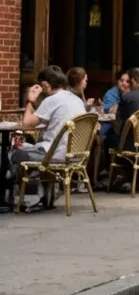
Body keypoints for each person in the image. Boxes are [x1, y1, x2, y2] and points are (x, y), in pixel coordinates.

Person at [14, 66, 89, 201]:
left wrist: (30, 100)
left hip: (56, 155)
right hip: (77, 155)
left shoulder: (52, 100)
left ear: (45, 84)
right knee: (34, 147)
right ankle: (45, 197)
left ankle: (16, 198)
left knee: (15, 153)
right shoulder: (77, 100)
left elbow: (26, 124)